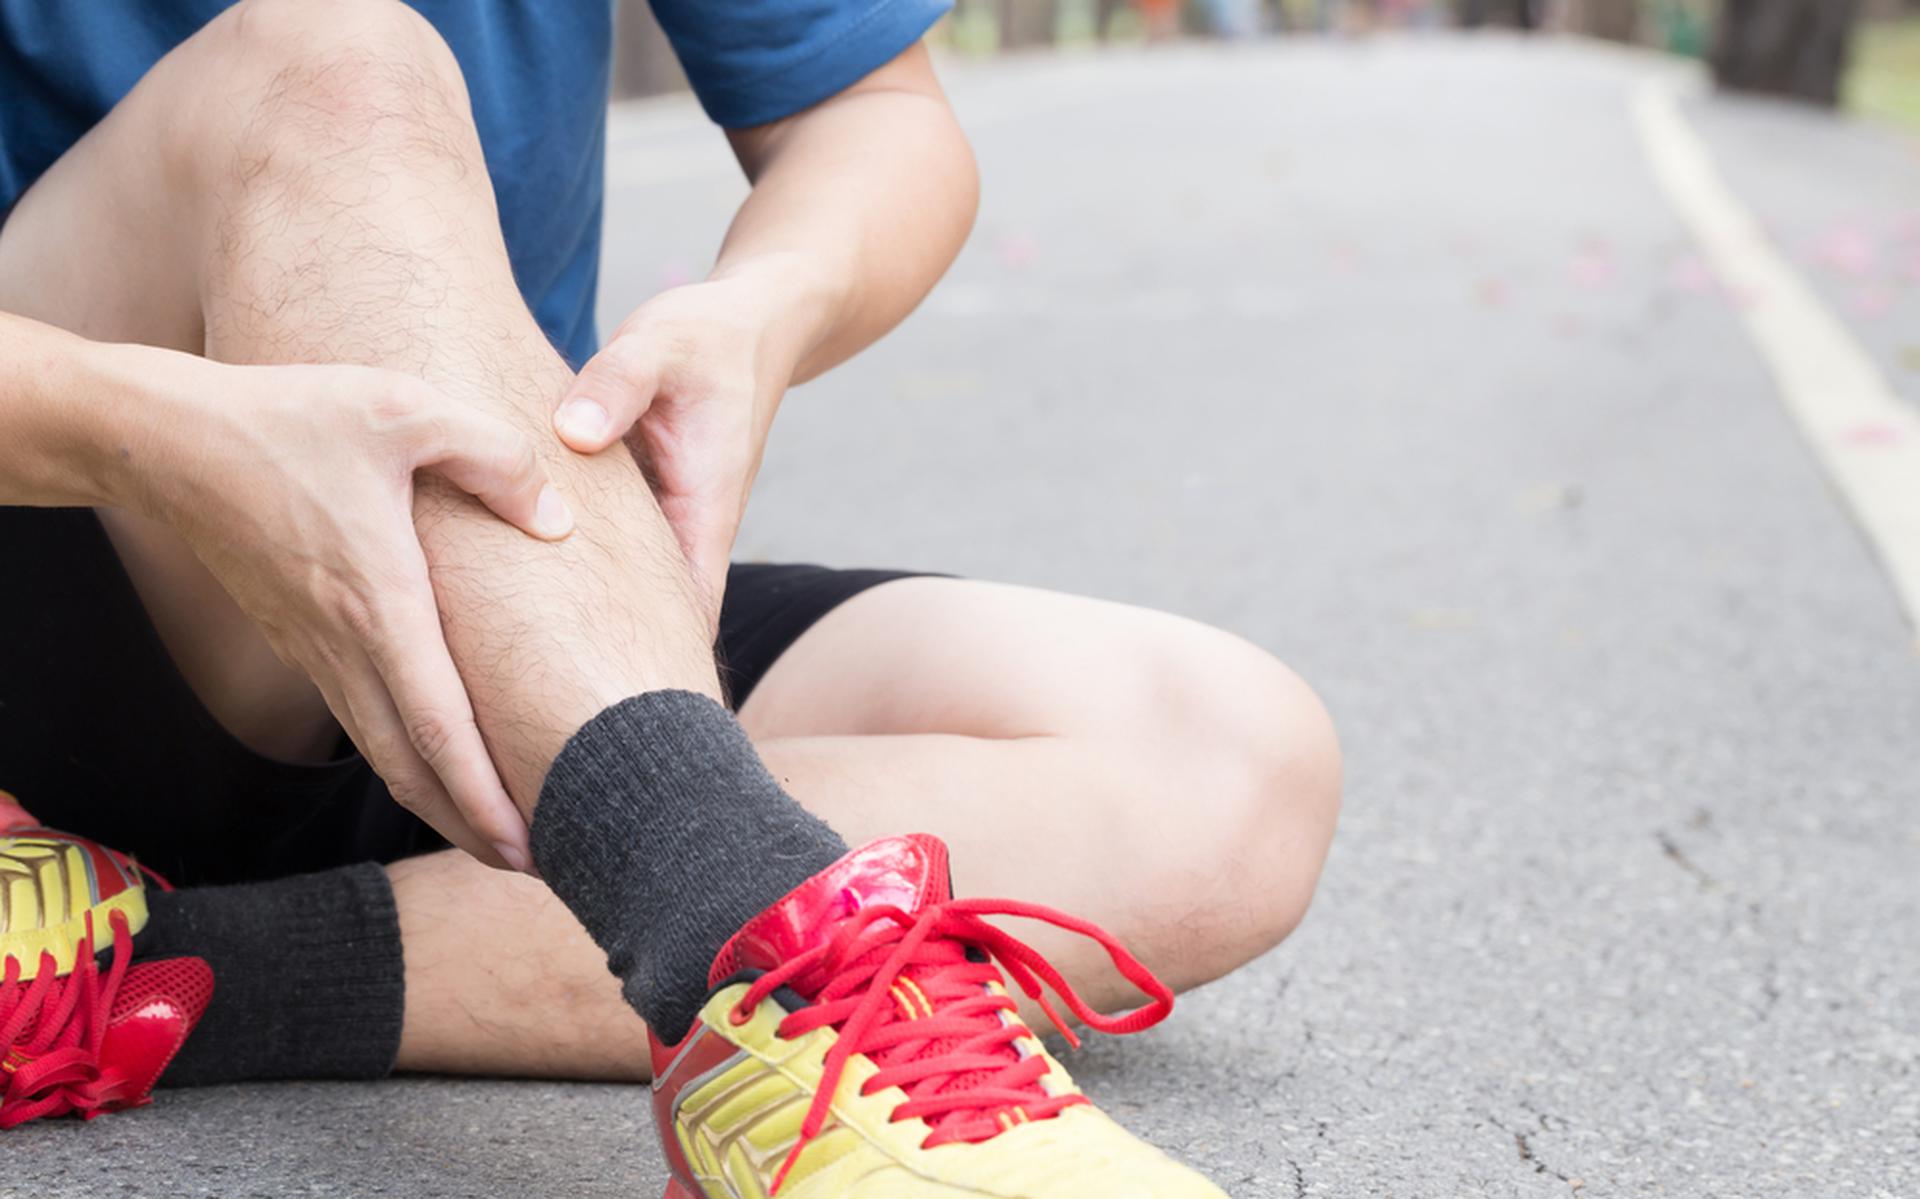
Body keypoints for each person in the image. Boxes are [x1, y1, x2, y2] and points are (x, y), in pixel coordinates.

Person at [0, 1, 1341, 1193]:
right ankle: (759, 950)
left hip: (457, 591)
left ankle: (144, 972)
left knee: (1230, 764)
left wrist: (763, 307)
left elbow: (871, 114)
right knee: (326, 61)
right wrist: (160, 432)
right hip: (71, 537)